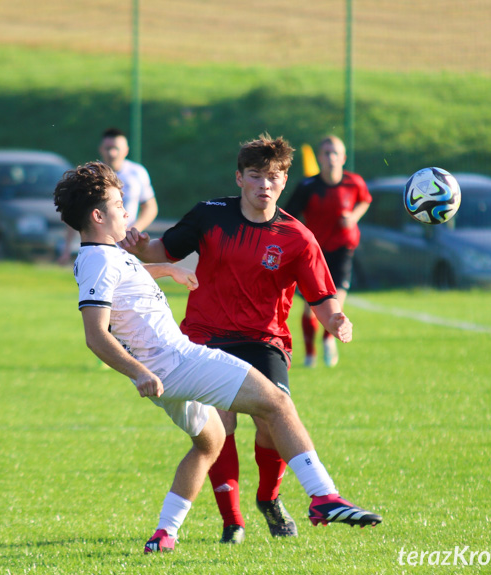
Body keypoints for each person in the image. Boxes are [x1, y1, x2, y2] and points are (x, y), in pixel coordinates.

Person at [54, 160, 381, 553]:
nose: (127, 211)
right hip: (175, 363)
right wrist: (138, 372)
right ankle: (323, 497)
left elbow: (125, 277)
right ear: (97, 215)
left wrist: (165, 270)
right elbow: (95, 335)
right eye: (119, 204)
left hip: (167, 375)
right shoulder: (97, 260)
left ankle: (165, 533)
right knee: (276, 404)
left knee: (209, 444)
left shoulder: (106, 254)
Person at [120, 134, 359, 545]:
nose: (264, 184)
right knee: (221, 425)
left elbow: (321, 296)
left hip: (264, 341)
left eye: (273, 177)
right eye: (256, 176)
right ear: (239, 178)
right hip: (205, 336)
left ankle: (269, 497)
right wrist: (140, 245)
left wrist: (334, 319)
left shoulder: (297, 236)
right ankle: (233, 521)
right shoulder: (210, 215)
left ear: (284, 182)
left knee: (272, 422)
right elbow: (164, 249)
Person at [284, 135, 371, 368]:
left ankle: (327, 340)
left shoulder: (354, 182)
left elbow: (365, 200)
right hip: (314, 253)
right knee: (309, 307)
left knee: (336, 302)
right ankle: (310, 354)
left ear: (343, 158)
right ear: (319, 157)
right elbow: (289, 216)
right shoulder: (307, 186)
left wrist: (352, 218)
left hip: (343, 249)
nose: (331, 158)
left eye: (335, 153)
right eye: (326, 153)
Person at [58, 128, 159, 264]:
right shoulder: (91, 175)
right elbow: (76, 211)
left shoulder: (137, 173)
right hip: (99, 248)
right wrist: (67, 248)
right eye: (108, 148)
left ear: (126, 150)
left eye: (116, 148)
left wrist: (132, 232)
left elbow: (150, 207)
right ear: (101, 149)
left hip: (127, 246)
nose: (112, 153)